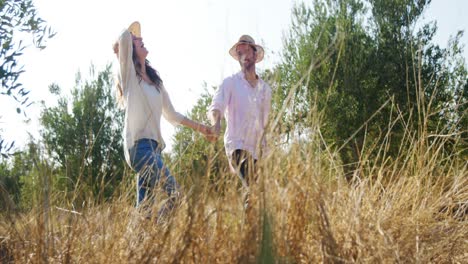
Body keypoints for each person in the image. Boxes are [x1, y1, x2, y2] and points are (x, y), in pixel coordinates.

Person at [114, 22, 212, 219]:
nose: (141, 39)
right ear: (130, 48)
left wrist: (202, 128)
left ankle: (138, 241)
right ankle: (160, 228)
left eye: (140, 37)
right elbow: (123, 37)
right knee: (176, 193)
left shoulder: (155, 81)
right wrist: (124, 40)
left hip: (154, 149)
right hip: (138, 147)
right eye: (136, 39)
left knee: (145, 209)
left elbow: (173, 115)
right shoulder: (129, 76)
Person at [208, 35, 272, 190]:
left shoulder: (265, 89)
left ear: (255, 55)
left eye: (246, 50)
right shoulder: (230, 83)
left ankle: (249, 213)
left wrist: (267, 149)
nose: (242, 55)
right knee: (253, 186)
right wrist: (216, 123)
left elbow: (265, 123)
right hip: (237, 147)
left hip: (257, 151)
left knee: (256, 194)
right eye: (239, 53)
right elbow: (216, 106)